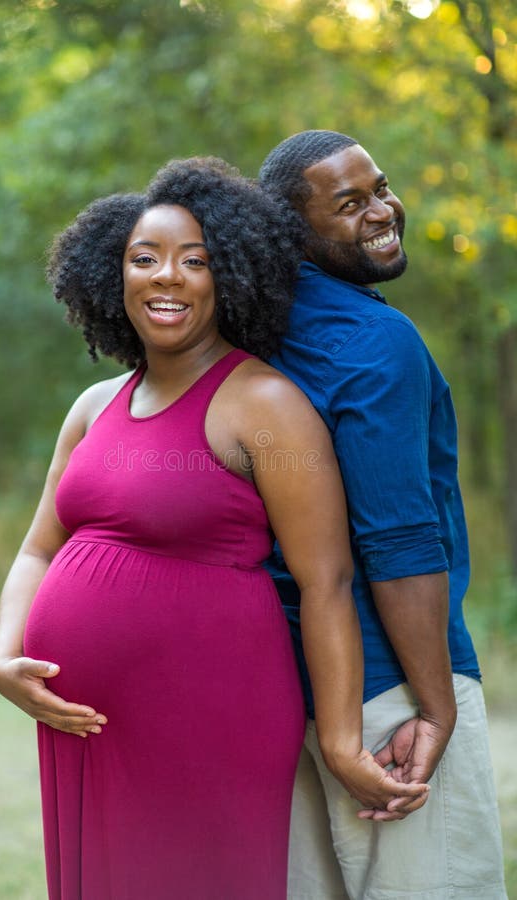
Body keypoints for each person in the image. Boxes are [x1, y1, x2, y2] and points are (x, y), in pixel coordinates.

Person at [0, 157, 427, 900]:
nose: (167, 277)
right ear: (112, 275)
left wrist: (340, 739)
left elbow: (326, 582)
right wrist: (7, 656)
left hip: (211, 714)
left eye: (195, 261)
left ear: (231, 276)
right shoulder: (95, 406)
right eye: (145, 259)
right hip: (84, 725)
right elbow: (39, 548)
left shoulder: (264, 404)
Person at [259, 130, 507, 900]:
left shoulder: (248, 335)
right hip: (391, 691)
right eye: (350, 203)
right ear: (293, 232)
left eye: (381, 188)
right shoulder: (373, 341)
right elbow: (398, 540)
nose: (382, 210)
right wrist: (435, 707)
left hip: (287, 691)